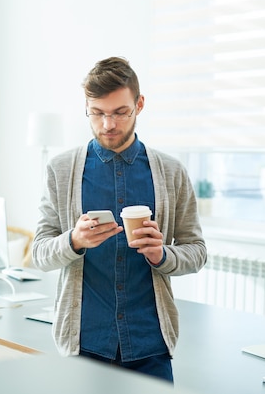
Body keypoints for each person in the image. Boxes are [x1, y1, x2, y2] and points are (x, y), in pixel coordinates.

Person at [31, 57, 207, 383]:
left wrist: (162, 255)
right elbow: (39, 253)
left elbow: (196, 251)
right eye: (97, 113)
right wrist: (74, 241)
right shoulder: (61, 170)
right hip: (85, 345)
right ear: (86, 107)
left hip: (149, 345)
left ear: (139, 105)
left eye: (119, 112)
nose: (108, 125)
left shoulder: (170, 172)